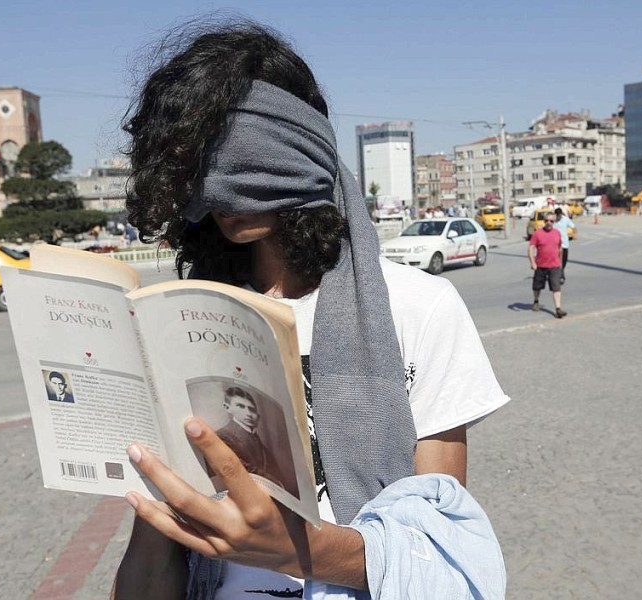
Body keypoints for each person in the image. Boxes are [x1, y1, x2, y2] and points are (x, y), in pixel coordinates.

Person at [112, 18, 509, 600]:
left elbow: (442, 557)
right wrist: (159, 506)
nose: (221, 193)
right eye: (201, 165)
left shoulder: (421, 309)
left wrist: (300, 549)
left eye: (241, 158)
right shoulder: (184, 322)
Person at [215, 386, 283, 486]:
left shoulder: (261, 445)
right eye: (240, 406)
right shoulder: (222, 436)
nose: (248, 414)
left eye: (251, 409)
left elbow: (276, 472)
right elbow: (239, 469)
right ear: (227, 407)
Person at [528, 211, 567, 318]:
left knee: (556, 287)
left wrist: (560, 262)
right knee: (537, 286)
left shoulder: (557, 233)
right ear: (544, 221)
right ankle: (536, 301)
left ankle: (558, 309)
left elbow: (560, 249)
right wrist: (532, 261)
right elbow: (531, 247)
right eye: (546, 220)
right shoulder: (538, 233)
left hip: (554, 265)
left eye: (551, 221)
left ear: (554, 222)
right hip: (540, 265)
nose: (549, 223)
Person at [552, 207, 574, 283]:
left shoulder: (565, 219)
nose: (558, 217)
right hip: (555, 245)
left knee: (564, 260)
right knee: (558, 261)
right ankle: (561, 276)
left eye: (559, 215)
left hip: (565, 244)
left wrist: (575, 234)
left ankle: (560, 271)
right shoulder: (552, 221)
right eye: (557, 215)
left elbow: (573, 226)